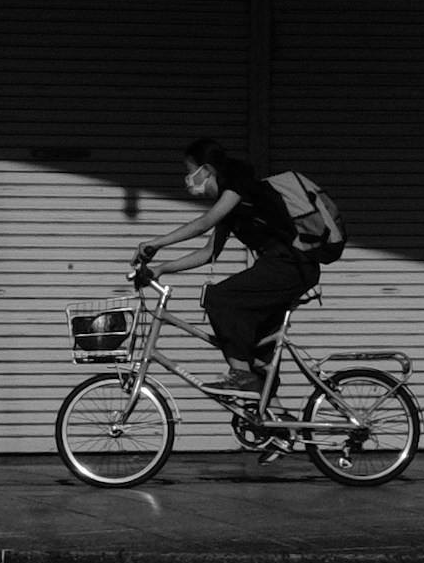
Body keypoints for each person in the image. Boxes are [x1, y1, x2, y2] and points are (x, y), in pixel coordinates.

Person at [137, 136, 328, 424]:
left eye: (189, 170)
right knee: (257, 354)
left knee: (219, 298)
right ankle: (277, 425)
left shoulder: (239, 183)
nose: (187, 179)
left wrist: (156, 243)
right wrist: (161, 269)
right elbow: (207, 253)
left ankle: (239, 375)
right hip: (282, 267)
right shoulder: (230, 203)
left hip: (291, 265)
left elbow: (203, 223)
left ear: (207, 170)